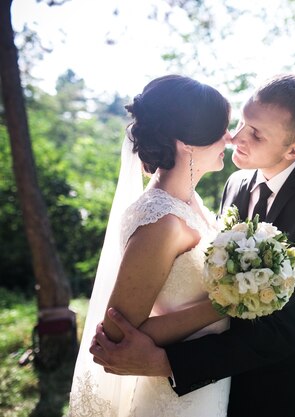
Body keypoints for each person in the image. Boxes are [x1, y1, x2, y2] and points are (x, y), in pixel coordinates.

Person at [91, 74, 295, 417]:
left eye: (256, 134)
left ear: (294, 149)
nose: (236, 138)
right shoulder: (236, 183)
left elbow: (283, 328)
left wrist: (167, 363)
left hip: (280, 392)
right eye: (243, 122)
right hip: (212, 388)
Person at [69, 75, 233, 417]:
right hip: (172, 400)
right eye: (221, 129)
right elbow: (115, 334)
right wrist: (224, 305)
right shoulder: (161, 222)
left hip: (202, 384)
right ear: (186, 141)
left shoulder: (190, 202)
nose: (229, 138)